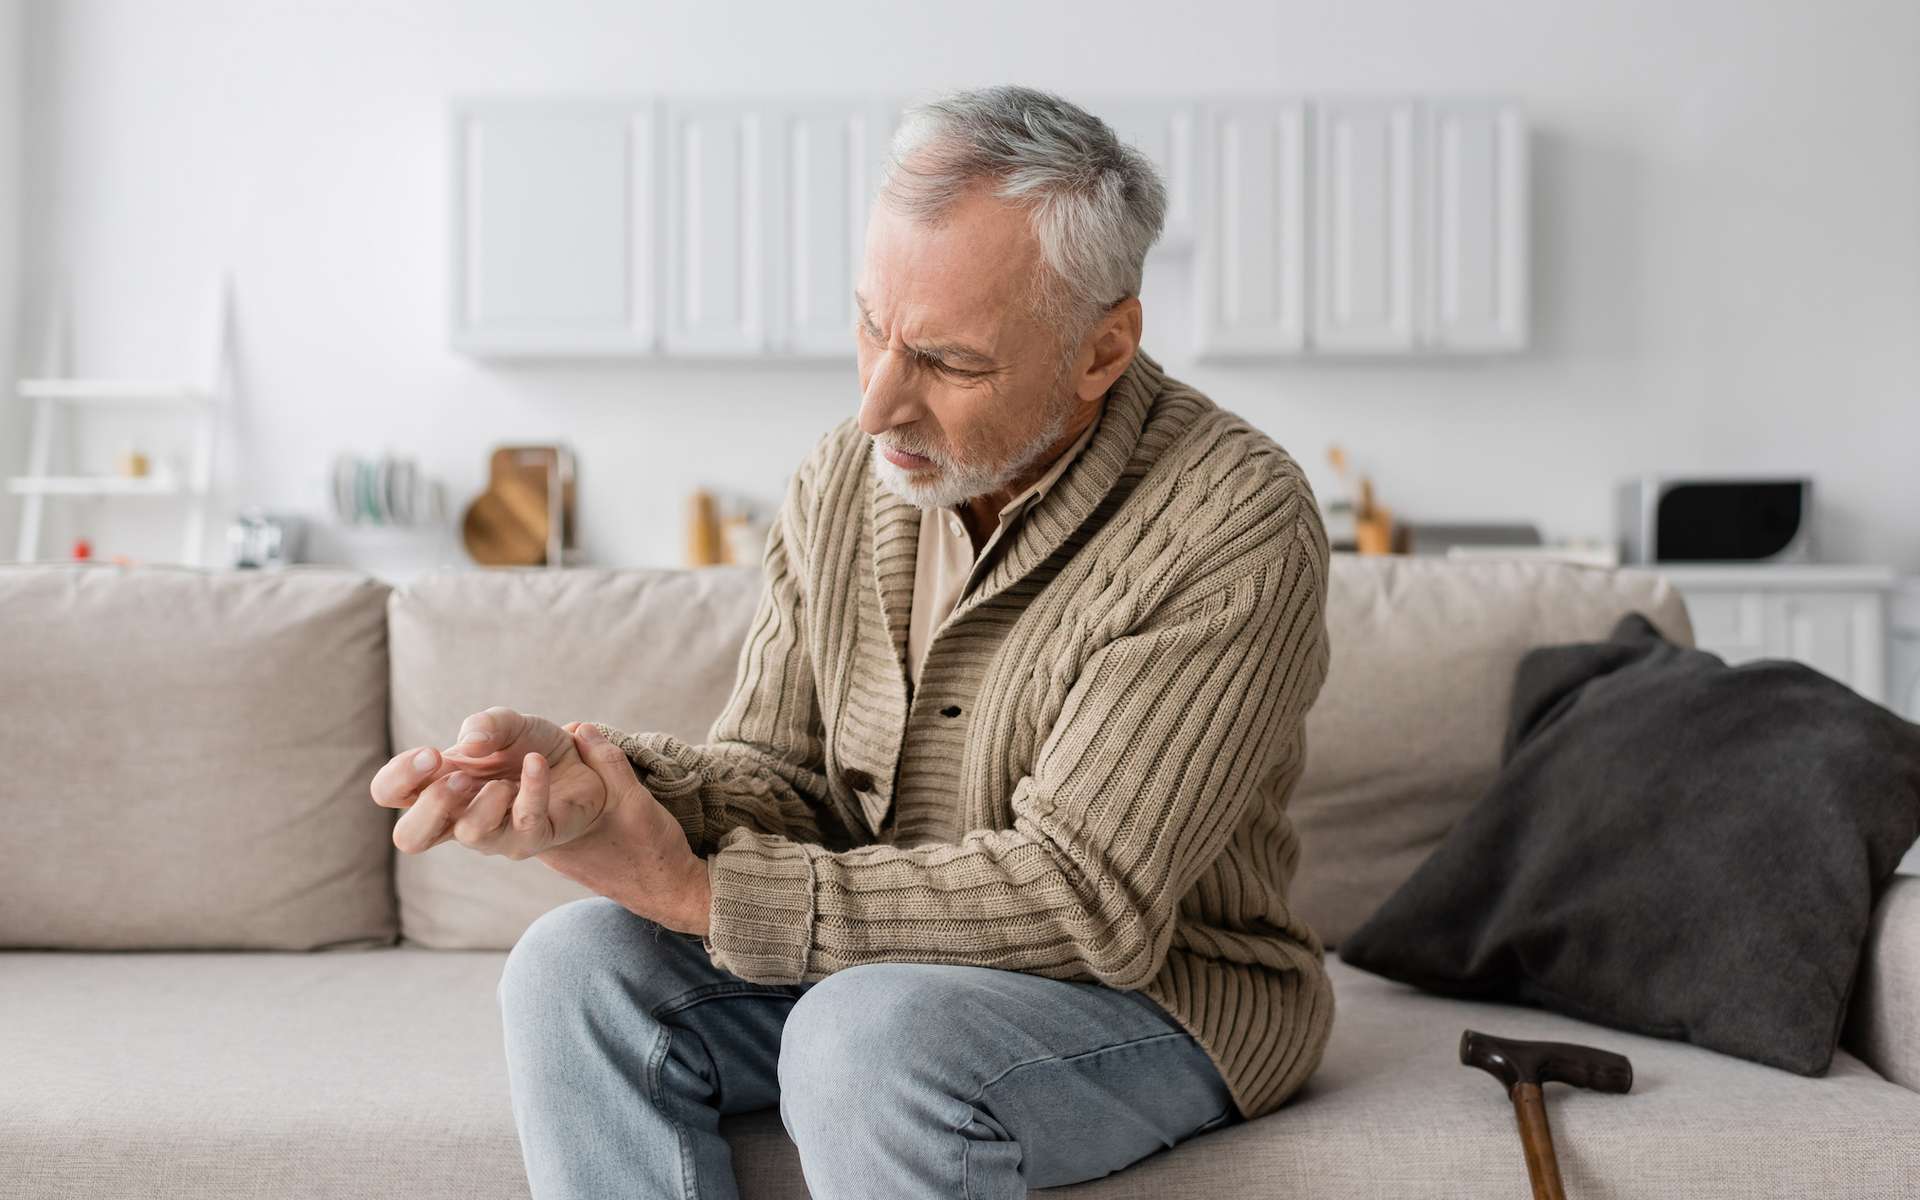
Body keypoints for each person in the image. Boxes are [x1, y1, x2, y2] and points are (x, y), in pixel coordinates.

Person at [369, 83, 1334, 1200]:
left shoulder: (1231, 519)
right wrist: (606, 784)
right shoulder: (845, 477)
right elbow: (784, 781)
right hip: (878, 965)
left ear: (1101, 350)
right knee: (573, 966)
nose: (879, 405)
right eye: (872, 325)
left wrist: (700, 898)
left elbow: (1089, 902)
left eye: (950, 362)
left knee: (863, 1035)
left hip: (1161, 992)